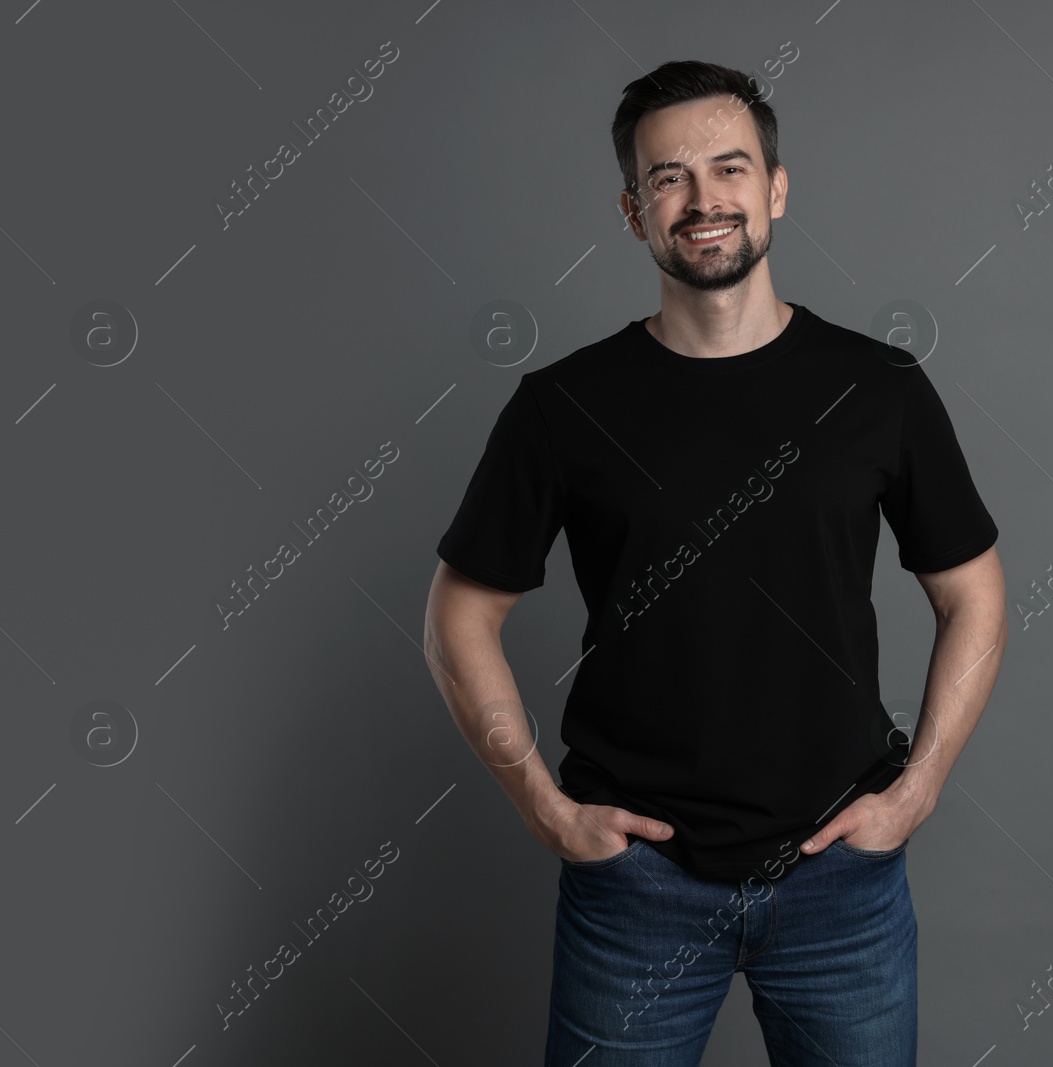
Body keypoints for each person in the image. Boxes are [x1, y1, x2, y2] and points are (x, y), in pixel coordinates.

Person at [424, 59, 1007, 1067]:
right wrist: (542, 805)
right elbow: (457, 617)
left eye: (729, 169)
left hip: (841, 885)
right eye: (668, 178)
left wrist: (917, 791)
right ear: (632, 210)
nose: (703, 200)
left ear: (775, 188)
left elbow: (975, 593)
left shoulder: (877, 388)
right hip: (636, 887)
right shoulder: (564, 407)